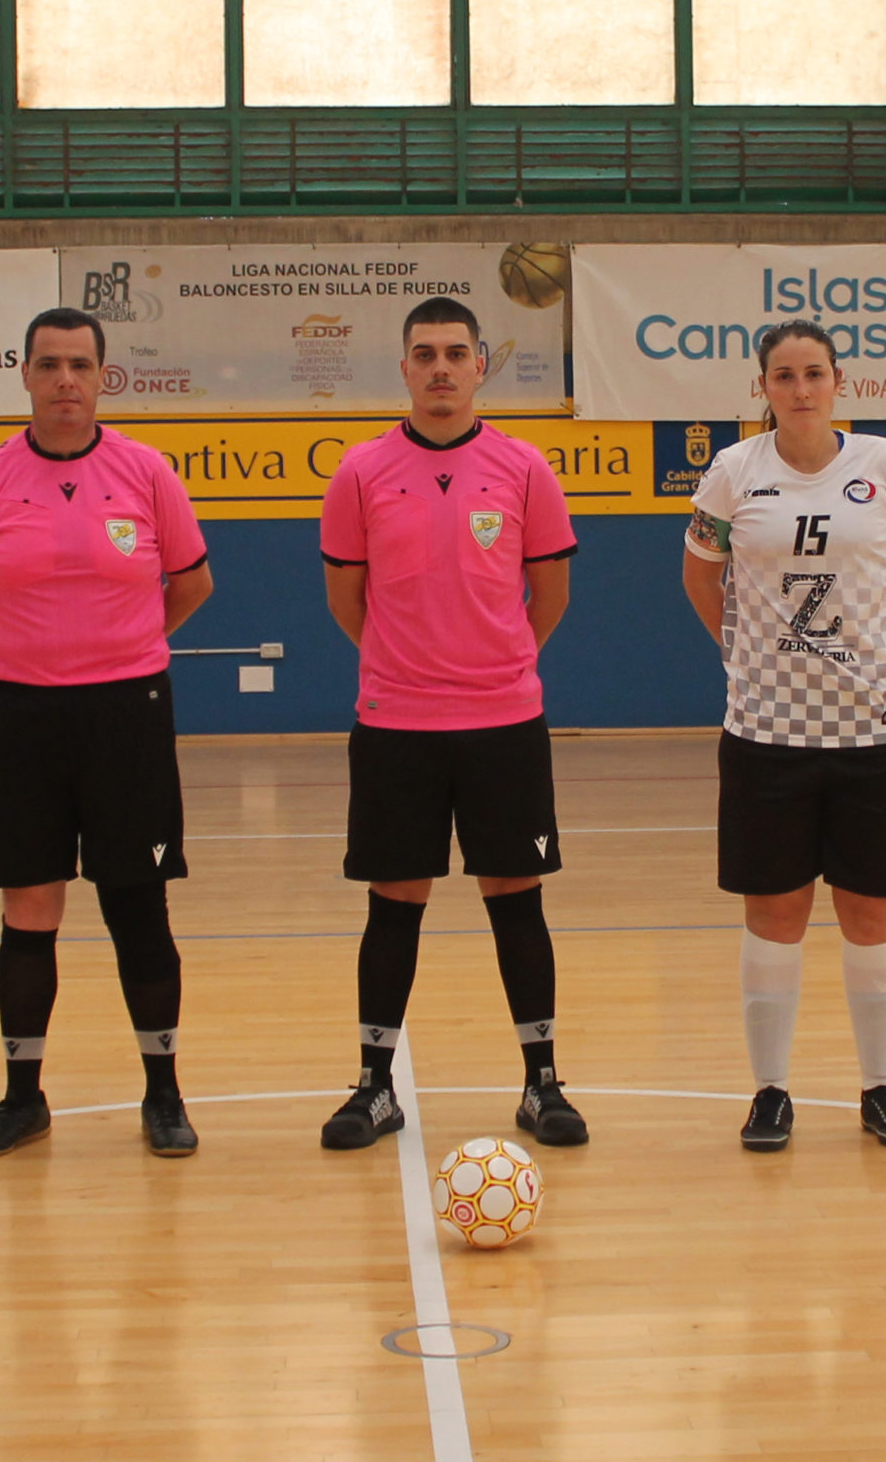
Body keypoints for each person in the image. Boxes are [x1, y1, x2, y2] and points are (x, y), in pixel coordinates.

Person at [0, 307, 214, 1159]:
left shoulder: (146, 471)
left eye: (79, 365)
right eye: (48, 365)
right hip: (21, 718)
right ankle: (23, 1099)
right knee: (29, 910)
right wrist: (26, 648)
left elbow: (191, 583)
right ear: (24, 375)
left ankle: (163, 1094)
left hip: (128, 714)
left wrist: (120, 644)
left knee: (138, 908)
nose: (65, 381)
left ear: (102, 376)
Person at [316, 296, 586, 1153]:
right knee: (395, 901)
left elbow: (548, 596)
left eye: (455, 353)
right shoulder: (360, 472)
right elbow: (347, 601)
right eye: (424, 353)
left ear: (480, 367)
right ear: (403, 368)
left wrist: (492, 661)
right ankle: (373, 1084)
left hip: (504, 721)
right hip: (396, 722)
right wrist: (412, 664)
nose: (440, 367)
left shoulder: (523, 468)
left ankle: (542, 1082)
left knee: (517, 897)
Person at [680, 321, 886, 1153]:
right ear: (764, 387)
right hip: (766, 732)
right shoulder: (733, 473)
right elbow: (699, 571)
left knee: (870, 911)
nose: (800, 388)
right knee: (776, 911)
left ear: (840, 384)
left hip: (874, 730)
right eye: (784, 375)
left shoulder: (885, 466)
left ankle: (883, 1087)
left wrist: (868, 651)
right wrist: (745, 654)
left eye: (814, 373)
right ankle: (770, 1092)